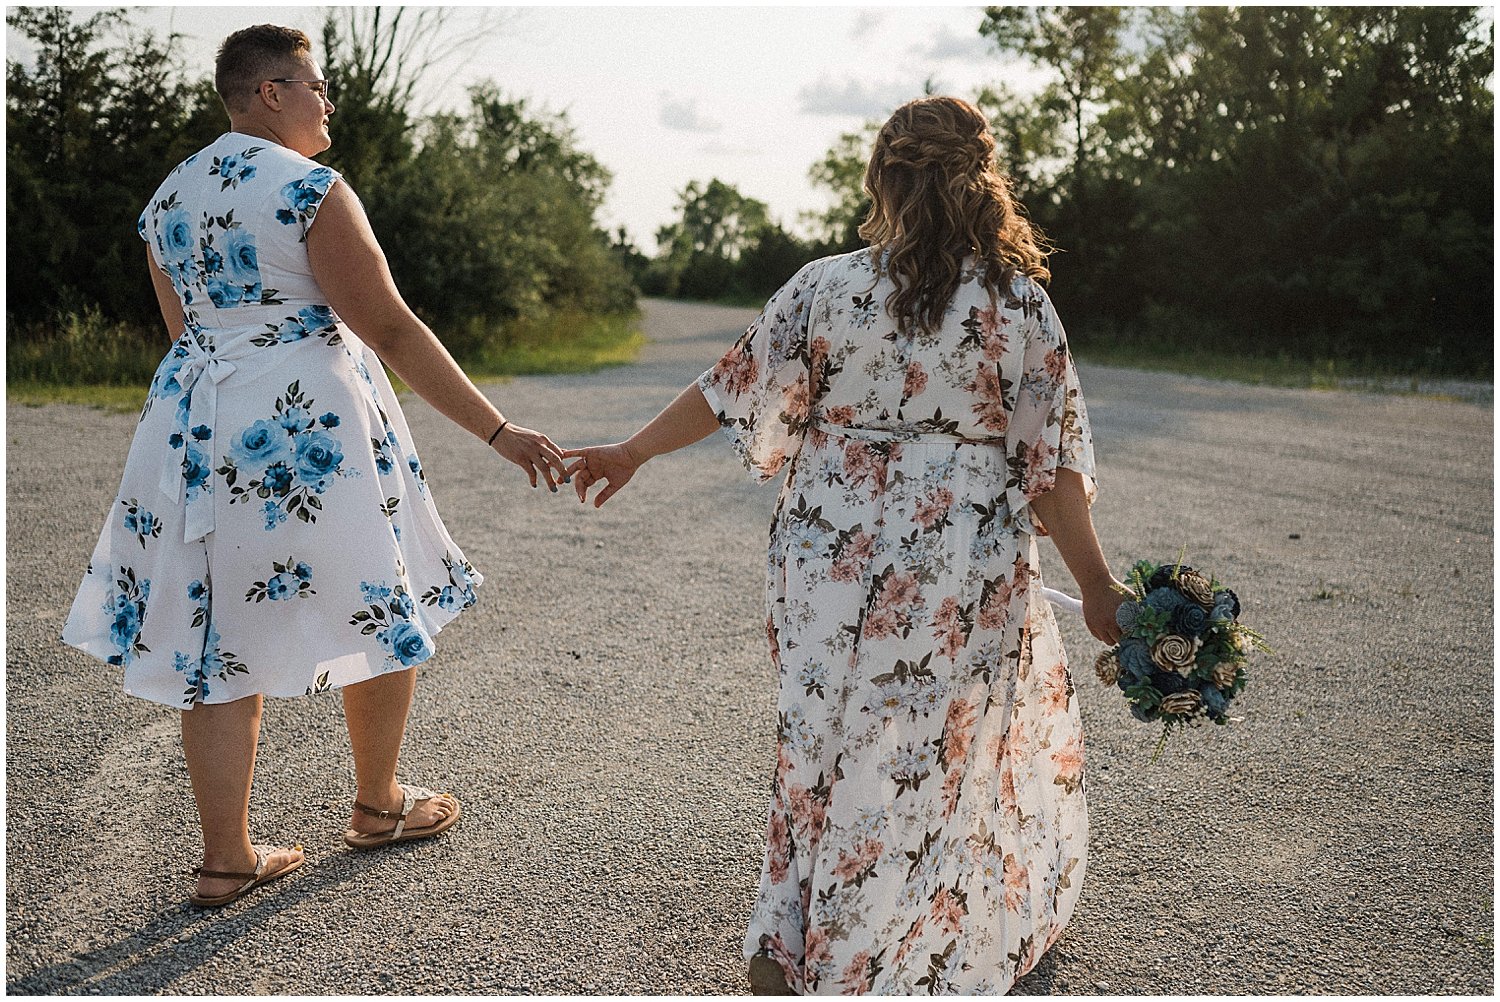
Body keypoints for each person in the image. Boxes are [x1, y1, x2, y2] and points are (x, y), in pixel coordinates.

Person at [565, 96, 1126, 994]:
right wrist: (1098, 588)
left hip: (827, 547)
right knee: (925, 753)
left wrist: (630, 452)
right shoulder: (1018, 305)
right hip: (953, 556)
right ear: (985, 182)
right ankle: (872, 953)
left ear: (882, 179)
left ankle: (788, 933)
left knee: (819, 738)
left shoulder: (826, 285)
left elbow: (726, 388)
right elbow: (1050, 470)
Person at [60, 24, 570, 908]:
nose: (328, 102)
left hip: (193, 429)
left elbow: (185, 335)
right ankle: (379, 804)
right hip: (308, 430)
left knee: (214, 627)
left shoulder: (169, 196)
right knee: (375, 588)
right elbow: (393, 327)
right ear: (268, 93)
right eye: (314, 85)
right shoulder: (309, 189)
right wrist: (498, 431)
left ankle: (227, 856)